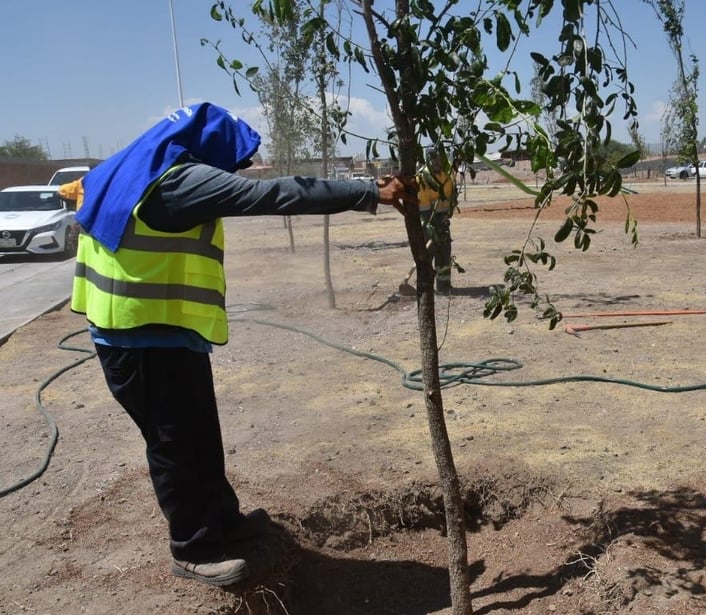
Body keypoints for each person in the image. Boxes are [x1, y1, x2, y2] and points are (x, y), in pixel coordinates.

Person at [68, 103, 412, 587]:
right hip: (139, 336)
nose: (234, 170)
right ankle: (192, 547)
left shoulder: (130, 167)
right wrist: (367, 190)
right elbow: (274, 194)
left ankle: (223, 520)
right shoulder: (175, 182)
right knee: (174, 444)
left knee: (199, 433)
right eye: (233, 158)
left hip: (158, 330)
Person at [417, 152, 456, 293]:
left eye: (439, 159)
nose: (437, 162)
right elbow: (423, 206)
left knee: (444, 253)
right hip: (428, 221)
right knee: (429, 254)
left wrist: (445, 217)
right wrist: (432, 224)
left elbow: (451, 197)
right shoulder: (422, 178)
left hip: (443, 220)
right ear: (428, 160)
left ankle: (444, 284)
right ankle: (426, 286)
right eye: (434, 159)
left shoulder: (446, 175)